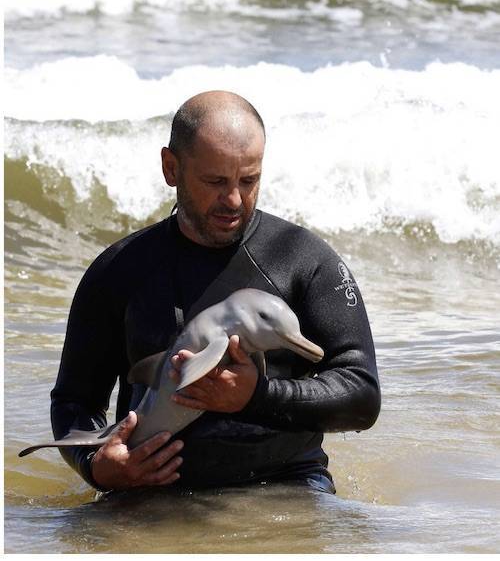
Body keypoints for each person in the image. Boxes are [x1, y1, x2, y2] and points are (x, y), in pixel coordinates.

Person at [50, 88, 380, 497]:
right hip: (148, 493)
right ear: (171, 168)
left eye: (249, 180)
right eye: (215, 181)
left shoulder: (304, 260)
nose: (234, 199)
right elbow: (73, 401)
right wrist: (97, 467)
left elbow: (362, 396)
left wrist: (257, 396)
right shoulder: (118, 271)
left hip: (287, 485)